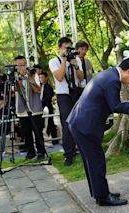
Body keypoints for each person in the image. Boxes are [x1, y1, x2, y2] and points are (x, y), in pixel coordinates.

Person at [67, 57, 129, 206]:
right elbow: (115, 106)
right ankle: (103, 198)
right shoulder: (113, 81)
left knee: (92, 161)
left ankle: (100, 192)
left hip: (79, 122)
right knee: (97, 161)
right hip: (85, 125)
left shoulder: (110, 74)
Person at [49, 37, 84, 166]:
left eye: (70, 47)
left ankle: (80, 148)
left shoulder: (77, 59)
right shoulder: (54, 61)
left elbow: (81, 77)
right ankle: (68, 154)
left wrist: (75, 66)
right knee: (66, 124)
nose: (68, 50)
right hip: (63, 95)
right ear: (60, 48)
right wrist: (64, 61)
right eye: (65, 48)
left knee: (79, 121)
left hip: (76, 92)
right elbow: (59, 77)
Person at [14, 55, 47, 161]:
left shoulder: (33, 74)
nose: (22, 67)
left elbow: (37, 90)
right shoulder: (14, 77)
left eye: (23, 64)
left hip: (35, 109)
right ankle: (30, 152)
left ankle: (41, 152)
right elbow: (13, 91)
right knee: (26, 133)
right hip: (22, 110)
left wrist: (29, 77)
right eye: (19, 65)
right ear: (15, 66)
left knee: (38, 131)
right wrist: (18, 81)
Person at [39, 72, 58, 145]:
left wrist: (42, 102)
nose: (41, 79)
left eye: (42, 77)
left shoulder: (49, 87)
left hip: (47, 106)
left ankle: (54, 140)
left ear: (46, 78)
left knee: (51, 122)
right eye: (40, 77)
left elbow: (48, 98)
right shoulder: (39, 86)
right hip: (40, 107)